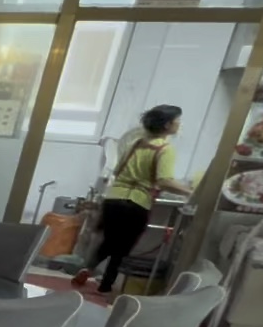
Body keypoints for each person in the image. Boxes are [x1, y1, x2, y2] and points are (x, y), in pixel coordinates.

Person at [75, 104, 192, 294]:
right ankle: (105, 286)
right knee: (122, 248)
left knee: (110, 240)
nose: (179, 125)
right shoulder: (165, 149)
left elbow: (118, 168)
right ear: (167, 125)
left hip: (114, 198)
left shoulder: (136, 143)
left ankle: (88, 267)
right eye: (177, 121)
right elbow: (164, 181)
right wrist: (189, 191)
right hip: (137, 202)